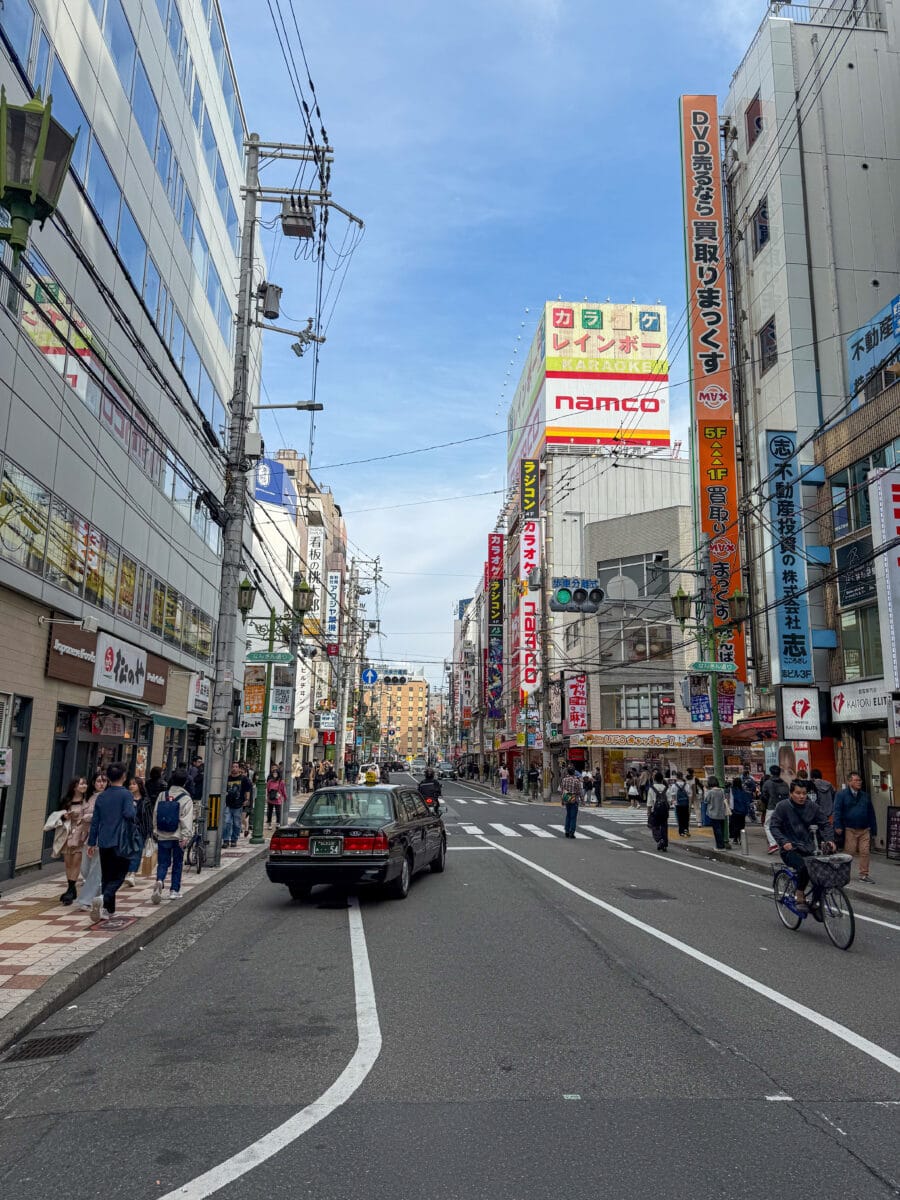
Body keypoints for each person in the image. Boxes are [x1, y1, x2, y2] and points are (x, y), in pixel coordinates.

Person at [770, 779, 836, 910]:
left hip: (809, 847)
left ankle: (816, 902)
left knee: (820, 872)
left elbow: (825, 824)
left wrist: (830, 840)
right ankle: (800, 893)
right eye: (798, 793)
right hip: (790, 849)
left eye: (804, 793)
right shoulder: (783, 807)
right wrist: (784, 842)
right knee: (804, 867)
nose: (801, 796)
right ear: (791, 793)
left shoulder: (813, 807)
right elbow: (774, 827)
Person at [86, 762, 136, 920]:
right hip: (121, 841)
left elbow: (95, 822)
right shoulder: (126, 794)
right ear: (124, 776)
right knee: (120, 875)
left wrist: (92, 842)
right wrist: (133, 807)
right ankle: (103, 898)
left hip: (104, 840)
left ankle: (109, 910)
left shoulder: (102, 796)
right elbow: (129, 814)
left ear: (108, 778)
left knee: (106, 875)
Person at [151, 766, 194, 903]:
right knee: (177, 863)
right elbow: (186, 819)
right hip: (178, 835)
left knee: (162, 862)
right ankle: (174, 890)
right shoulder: (186, 798)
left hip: (163, 834)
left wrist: (155, 830)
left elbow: (156, 814)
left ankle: (159, 880)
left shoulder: (162, 795)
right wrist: (186, 836)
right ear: (185, 782)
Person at [834, 771, 878, 883]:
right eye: (856, 780)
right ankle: (842, 873)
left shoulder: (865, 796)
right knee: (849, 852)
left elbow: (871, 812)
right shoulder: (841, 795)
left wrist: (874, 828)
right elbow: (837, 811)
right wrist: (837, 825)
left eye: (860, 780)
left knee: (865, 852)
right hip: (850, 828)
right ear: (849, 782)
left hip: (864, 829)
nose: (859, 782)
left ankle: (864, 875)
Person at [75, 770, 107, 917]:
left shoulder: (108, 797)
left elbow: (101, 817)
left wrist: (88, 816)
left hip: (101, 837)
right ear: (93, 782)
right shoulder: (87, 797)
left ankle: (85, 900)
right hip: (86, 836)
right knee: (85, 868)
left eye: (104, 781)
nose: (101, 783)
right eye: (99, 781)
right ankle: (101, 895)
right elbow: (80, 814)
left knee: (96, 868)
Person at [57, 777, 90, 905]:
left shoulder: (87, 800)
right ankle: (71, 888)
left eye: (85, 783)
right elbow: (58, 816)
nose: (84, 785)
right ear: (74, 786)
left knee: (76, 861)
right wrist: (65, 816)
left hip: (81, 834)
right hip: (67, 833)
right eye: (81, 783)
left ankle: (71, 890)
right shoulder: (66, 801)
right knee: (68, 862)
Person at [124, 776, 153, 887]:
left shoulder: (146, 801)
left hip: (140, 830)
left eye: (134, 784)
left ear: (140, 786)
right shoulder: (126, 799)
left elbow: (148, 817)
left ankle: (132, 874)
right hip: (126, 829)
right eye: (130, 784)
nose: (131, 786)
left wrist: (150, 832)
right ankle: (127, 872)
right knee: (126, 851)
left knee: (137, 851)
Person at [760, 765, 789, 853]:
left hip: (772, 806)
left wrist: (767, 802)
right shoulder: (785, 783)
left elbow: (764, 796)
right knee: (782, 825)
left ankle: (773, 844)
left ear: (771, 772)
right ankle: (784, 843)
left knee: (767, 825)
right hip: (784, 807)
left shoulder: (768, 783)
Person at [224, 762, 252, 847]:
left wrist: (247, 799)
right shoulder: (227, 778)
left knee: (236, 823)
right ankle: (225, 840)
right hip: (228, 804)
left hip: (238, 804)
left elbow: (248, 790)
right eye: (232, 767)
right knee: (226, 822)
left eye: (236, 767)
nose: (234, 768)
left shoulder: (243, 779)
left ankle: (234, 839)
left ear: (239, 769)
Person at [704, 776, 730, 849]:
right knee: (721, 829)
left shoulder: (711, 792)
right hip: (721, 813)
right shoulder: (722, 790)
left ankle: (720, 846)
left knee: (717, 830)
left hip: (713, 813)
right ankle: (721, 845)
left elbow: (706, 800)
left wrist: (705, 791)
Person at [647, 772, 670, 851]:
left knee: (655, 826)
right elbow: (669, 801)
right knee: (664, 827)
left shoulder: (652, 788)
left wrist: (649, 812)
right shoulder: (666, 788)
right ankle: (664, 844)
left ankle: (660, 839)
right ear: (662, 779)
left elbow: (649, 802)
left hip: (655, 810)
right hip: (664, 811)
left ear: (654, 779)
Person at [560, 764, 583, 837]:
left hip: (567, 798)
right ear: (574, 772)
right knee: (573, 816)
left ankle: (566, 830)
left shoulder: (564, 780)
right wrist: (582, 800)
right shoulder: (576, 780)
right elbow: (579, 791)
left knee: (568, 815)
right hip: (574, 798)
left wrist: (562, 800)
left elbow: (562, 790)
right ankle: (571, 832)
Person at [729, 776, 752, 847]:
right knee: (742, 825)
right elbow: (747, 801)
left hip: (735, 810)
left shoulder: (732, 790)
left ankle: (735, 838)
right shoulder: (743, 791)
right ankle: (741, 838)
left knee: (735, 824)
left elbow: (731, 800)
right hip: (743, 811)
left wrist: (730, 809)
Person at [669, 771, 691, 838]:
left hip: (678, 804)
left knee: (680, 818)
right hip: (685, 804)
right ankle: (686, 830)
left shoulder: (674, 785)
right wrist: (689, 804)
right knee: (686, 818)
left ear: (676, 777)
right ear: (682, 776)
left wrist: (673, 802)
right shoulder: (686, 785)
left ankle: (681, 832)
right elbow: (689, 795)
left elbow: (672, 796)